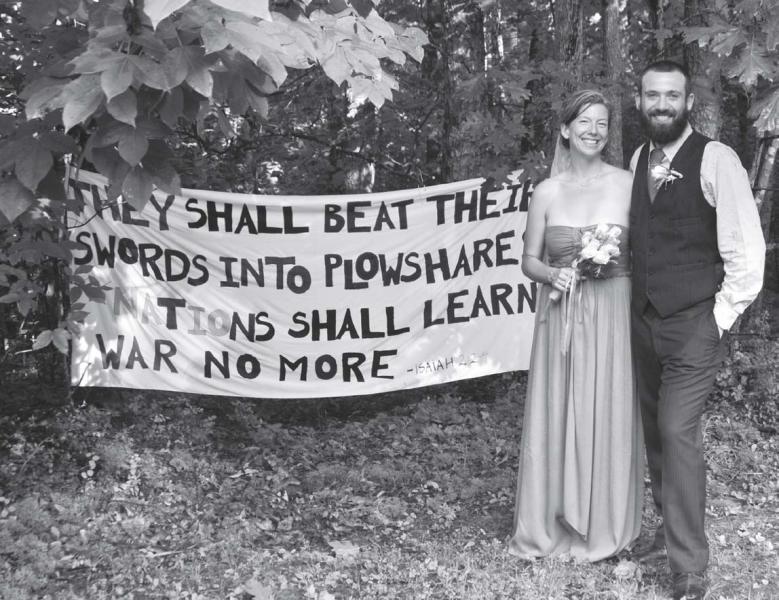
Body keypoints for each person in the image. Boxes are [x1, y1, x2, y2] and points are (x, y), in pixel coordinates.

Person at [629, 60, 765, 600]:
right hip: (642, 321)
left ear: (687, 102)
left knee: (677, 432)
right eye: (652, 95)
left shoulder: (716, 158)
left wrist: (718, 319)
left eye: (672, 96)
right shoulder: (639, 158)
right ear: (639, 101)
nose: (661, 104)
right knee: (655, 434)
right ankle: (667, 531)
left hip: (694, 323)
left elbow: (746, 251)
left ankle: (689, 565)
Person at [508, 90, 643, 561]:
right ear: (565, 129)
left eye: (602, 123)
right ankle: (549, 523)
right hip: (561, 314)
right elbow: (528, 259)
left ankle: (604, 524)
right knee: (557, 410)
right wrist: (552, 273)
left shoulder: (628, 183)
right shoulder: (546, 191)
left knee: (608, 408)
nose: (593, 130)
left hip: (614, 312)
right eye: (584, 121)